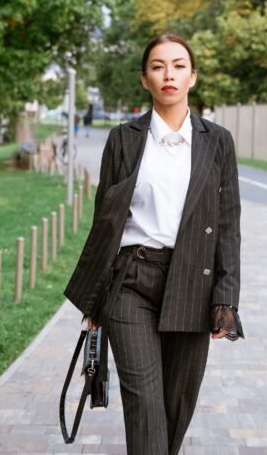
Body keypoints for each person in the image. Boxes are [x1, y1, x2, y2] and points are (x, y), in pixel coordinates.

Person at [64, 33, 243, 454]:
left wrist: (226, 298)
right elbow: (104, 222)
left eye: (179, 66)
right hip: (130, 281)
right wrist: (94, 300)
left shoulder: (217, 142)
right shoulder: (123, 139)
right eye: (158, 66)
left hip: (191, 286)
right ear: (145, 79)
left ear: (192, 77)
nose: (169, 74)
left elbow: (228, 224)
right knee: (144, 403)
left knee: (176, 408)